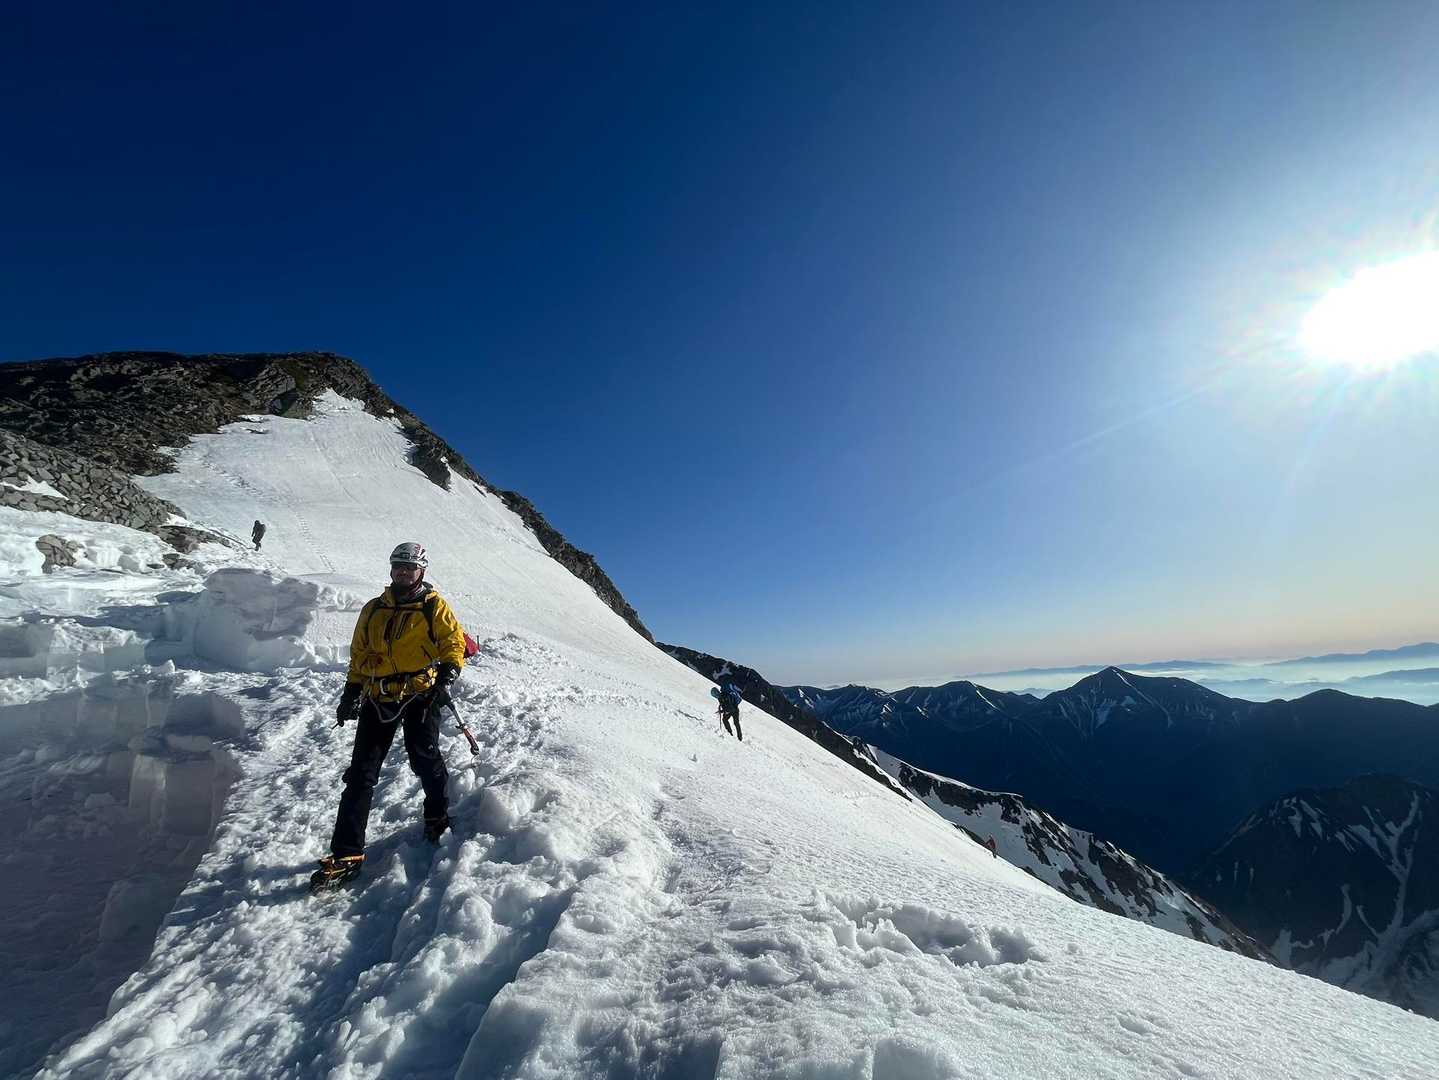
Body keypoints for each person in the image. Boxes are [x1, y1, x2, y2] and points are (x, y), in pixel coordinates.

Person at [312, 542, 466, 890]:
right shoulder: (374, 609)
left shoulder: (433, 606)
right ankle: (347, 853)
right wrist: (351, 692)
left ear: (421, 571)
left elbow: (452, 643)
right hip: (378, 695)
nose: (403, 572)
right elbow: (359, 654)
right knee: (361, 773)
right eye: (399, 567)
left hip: (421, 694)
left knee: (424, 757)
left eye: (410, 568)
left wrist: (446, 678)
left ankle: (437, 814)